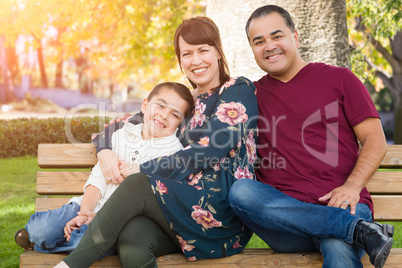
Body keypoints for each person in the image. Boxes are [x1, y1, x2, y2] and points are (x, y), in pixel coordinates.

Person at [55, 16, 258, 268]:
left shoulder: (237, 89)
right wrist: (105, 151)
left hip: (219, 214)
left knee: (138, 181)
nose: (195, 61)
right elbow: (118, 124)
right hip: (177, 210)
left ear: (217, 51)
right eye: (187, 54)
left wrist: (144, 170)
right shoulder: (183, 104)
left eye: (203, 50)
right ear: (180, 60)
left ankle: (70, 265)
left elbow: (209, 150)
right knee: (132, 237)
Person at [229, 5, 393, 268]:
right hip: (285, 225)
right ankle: (360, 231)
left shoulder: (340, 79)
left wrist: (352, 187)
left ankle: (349, 228)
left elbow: (376, 140)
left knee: (339, 248)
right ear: (252, 49)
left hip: (344, 205)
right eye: (259, 41)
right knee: (242, 191)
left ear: (295, 36)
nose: (269, 46)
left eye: (276, 36)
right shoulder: (250, 96)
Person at [15, 82, 194, 254]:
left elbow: (150, 203)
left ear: (180, 124)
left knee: (81, 242)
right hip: (88, 203)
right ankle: (43, 238)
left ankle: (44, 245)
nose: (164, 115)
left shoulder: (173, 154)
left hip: (117, 222)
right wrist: (84, 212)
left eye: (175, 114)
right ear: (145, 105)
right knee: (41, 229)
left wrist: (98, 218)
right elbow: (99, 177)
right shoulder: (121, 134)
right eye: (160, 106)